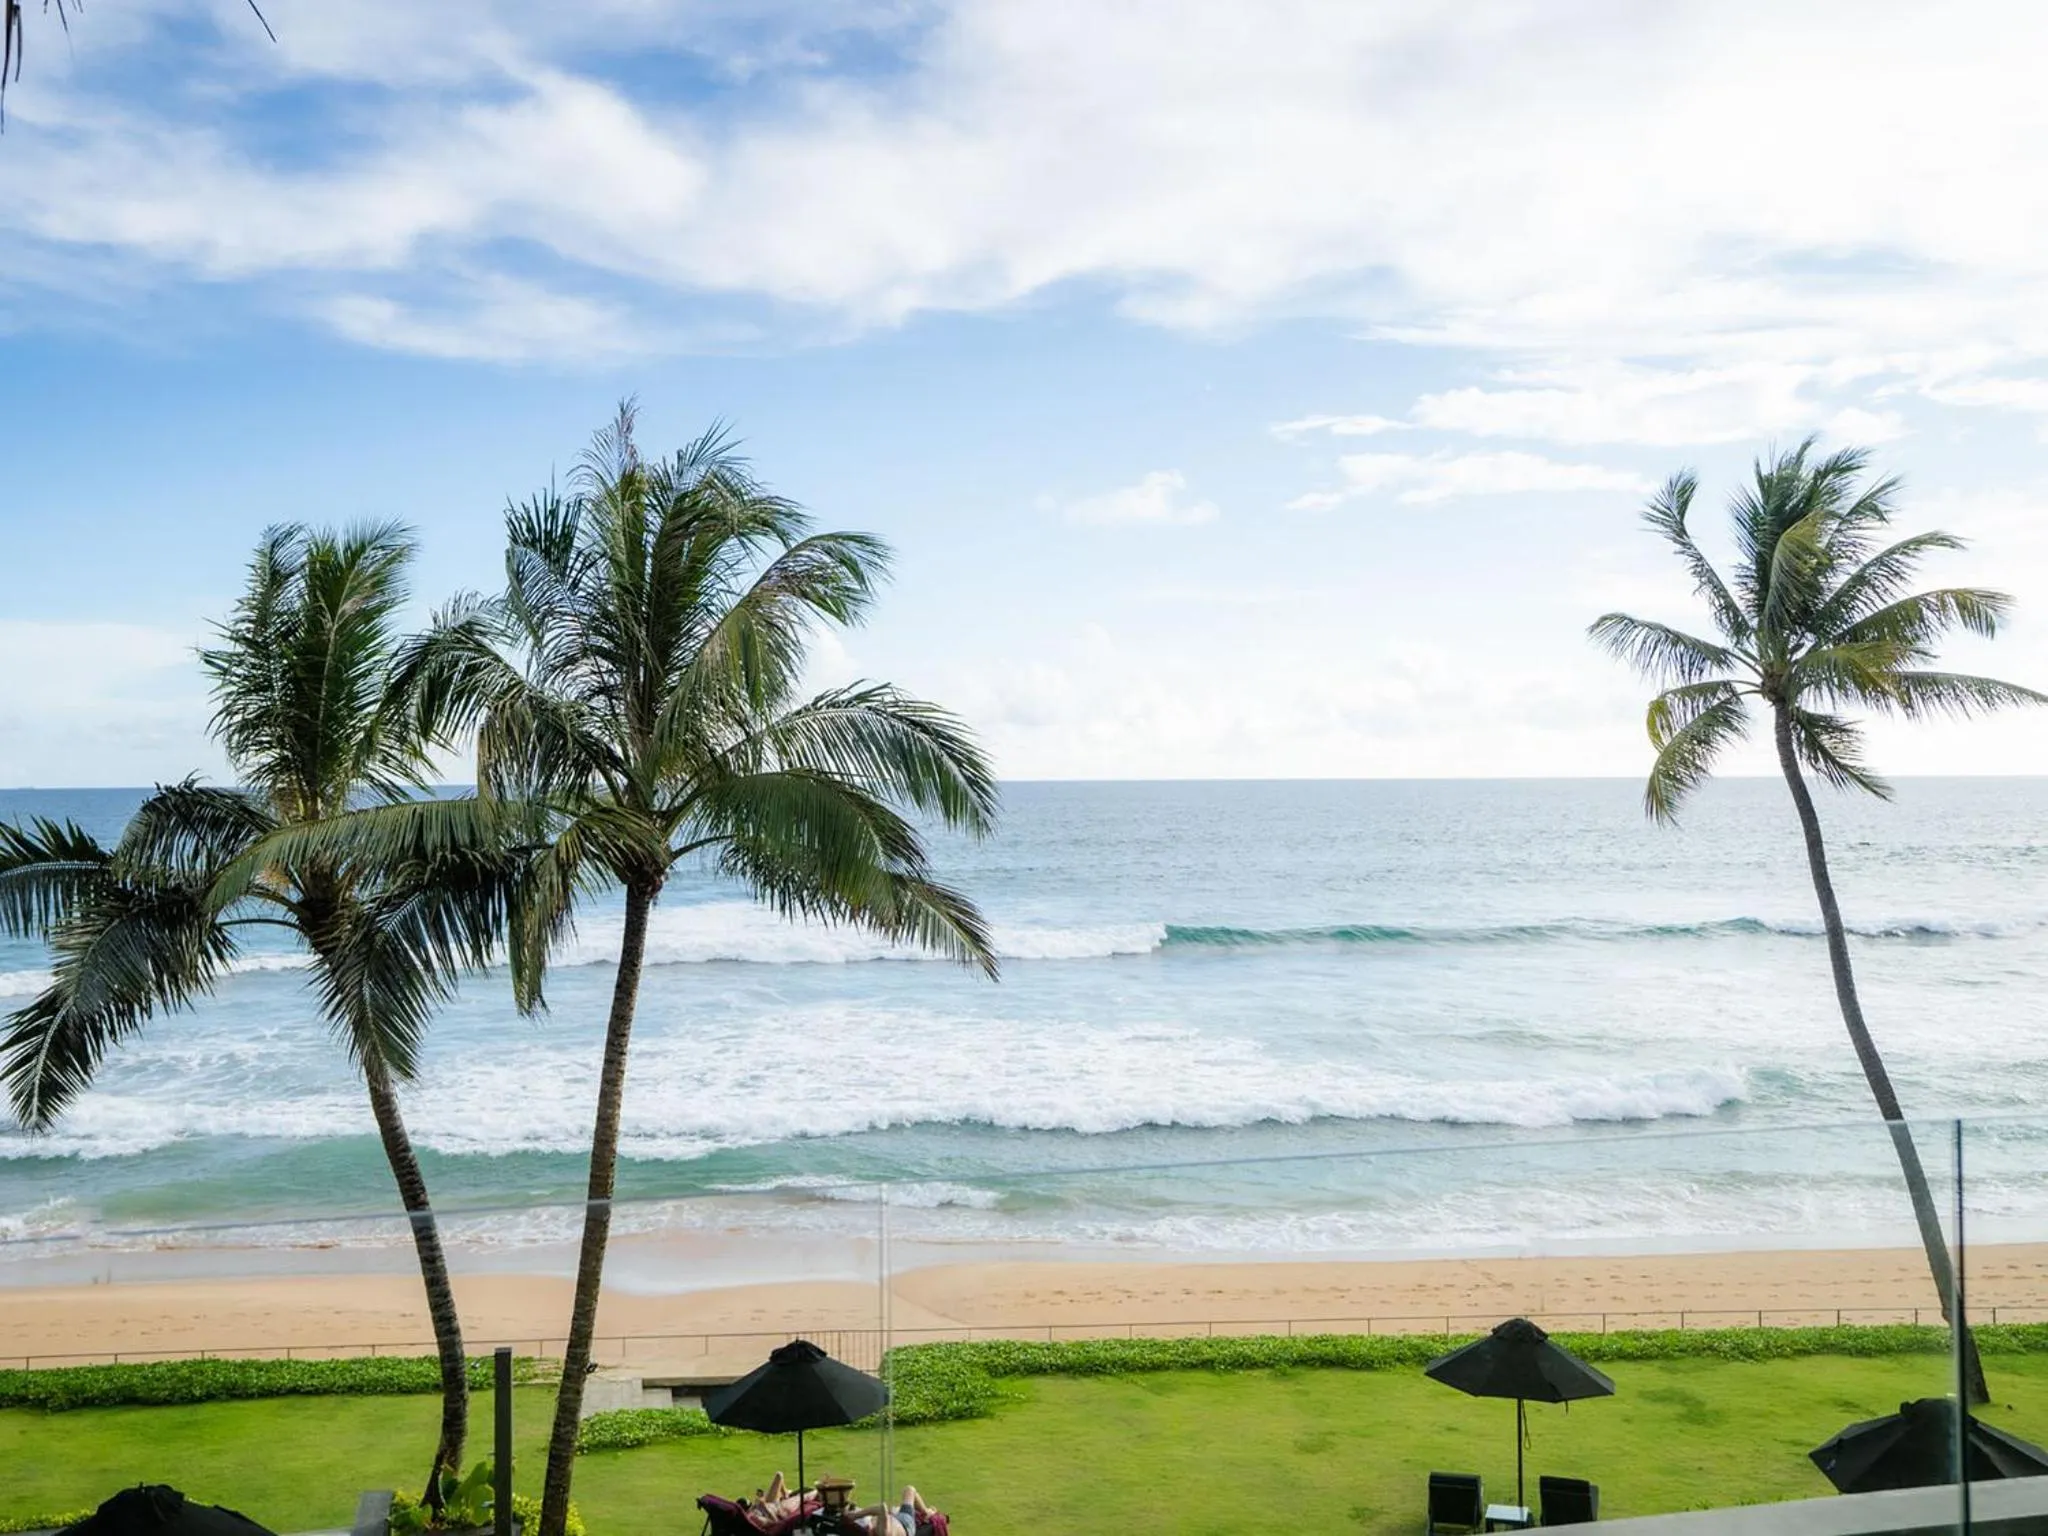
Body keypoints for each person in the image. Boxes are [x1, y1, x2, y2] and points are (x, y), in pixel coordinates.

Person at [848, 1486, 933, 1536]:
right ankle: (927, 1512)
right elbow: (882, 1508)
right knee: (910, 1490)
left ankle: (926, 1511)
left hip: (895, 1519)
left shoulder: (878, 1529)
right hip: (905, 1522)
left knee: (908, 1493)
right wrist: (856, 1515)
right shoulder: (882, 1532)